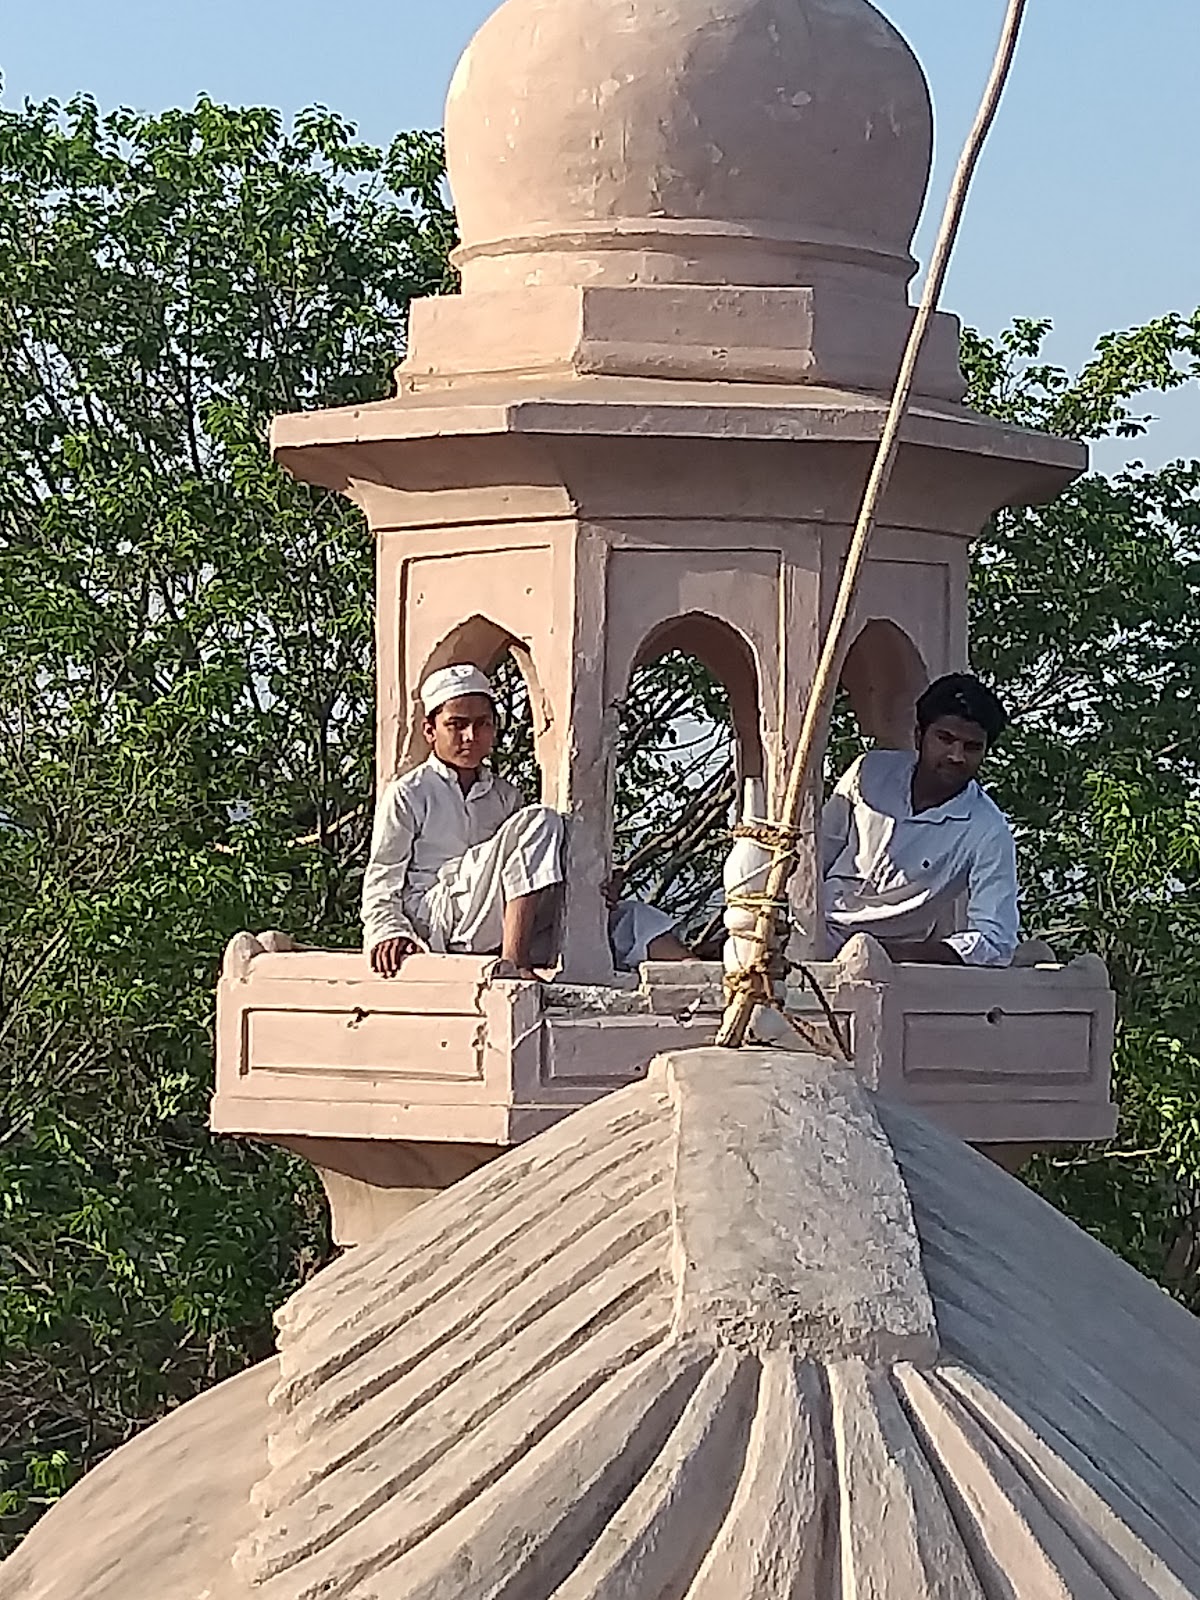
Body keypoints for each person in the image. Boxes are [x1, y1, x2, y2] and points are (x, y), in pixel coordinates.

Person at [362, 664, 690, 980]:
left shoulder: (504, 796)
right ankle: (514, 962)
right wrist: (388, 932)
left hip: (498, 922)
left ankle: (711, 984)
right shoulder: (409, 793)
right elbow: (382, 879)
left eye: (483, 724)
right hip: (440, 918)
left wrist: (589, 885)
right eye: (457, 724)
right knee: (541, 820)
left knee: (625, 918)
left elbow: (524, 871)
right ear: (430, 730)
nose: (470, 736)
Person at [820, 673, 1018, 966]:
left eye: (972, 747)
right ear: (919, 735)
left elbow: (995, 940)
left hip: (887, 965)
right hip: (807, 932)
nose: (956, 756)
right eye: (945, 738)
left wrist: (897, 956)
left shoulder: (987, 830)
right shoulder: (869, 772)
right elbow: (817, 852)